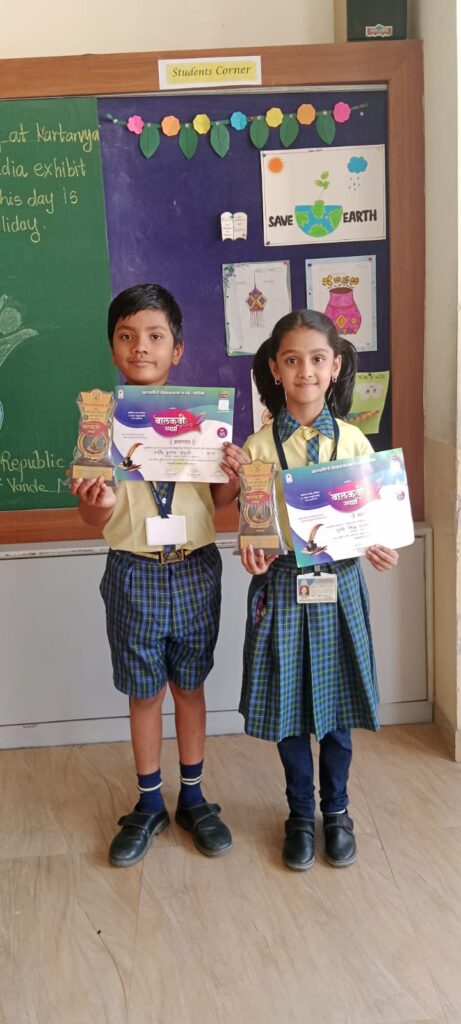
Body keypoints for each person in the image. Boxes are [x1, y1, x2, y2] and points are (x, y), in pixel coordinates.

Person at [213, 309, 399, 871]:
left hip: (340, 589)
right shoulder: (257, 448)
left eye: (317, 359)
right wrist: (252, 551)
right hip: (282, 591)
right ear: (275, 368)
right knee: (289, 710)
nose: (305, 371)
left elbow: (372, 523)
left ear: (335, 366)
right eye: (292, 360)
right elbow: (253, 531)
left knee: (337, 711)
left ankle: (336, 811)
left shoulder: (356, 443)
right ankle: (298, 813)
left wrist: (380, 547)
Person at [70, 283, 239, 867]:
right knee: (144, 693)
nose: (141, 346)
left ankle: (192, 797)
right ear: (113, 349)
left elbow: (218, 502)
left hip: (194, 567)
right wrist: (95, 499)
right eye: (127, 336)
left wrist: (234, 476)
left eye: (155, 336)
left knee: (189, 686)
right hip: (133, 571)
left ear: (177, 349)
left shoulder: (204, 420)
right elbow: (93, 516)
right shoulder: (100, 425)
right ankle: (148, 803)